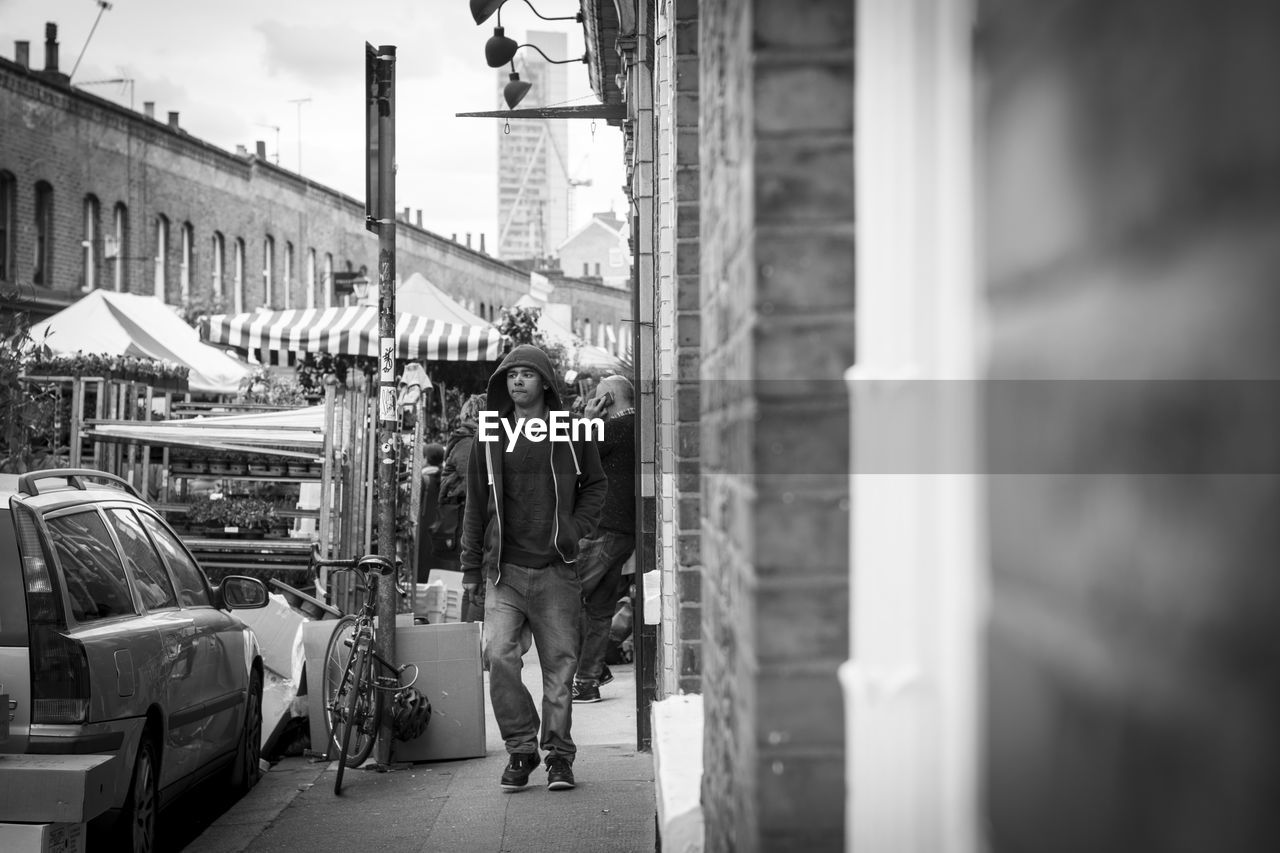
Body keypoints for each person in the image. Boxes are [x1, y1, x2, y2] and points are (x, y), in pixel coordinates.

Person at [460, 344, 606, 793]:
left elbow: (595, 487)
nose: (517, 381)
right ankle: (522, 749)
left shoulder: (569, 432)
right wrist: (470, 570)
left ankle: (559, 757)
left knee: (560, 670)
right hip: (503, 573)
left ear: (544, 382)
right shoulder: (491, 435)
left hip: (556, 571)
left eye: (526, 374)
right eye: (510, 375)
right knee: (499, 658)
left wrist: (573, 530)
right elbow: (475, 505)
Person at [570, 375, 637, 704]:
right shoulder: (636, 427)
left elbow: (571, 456)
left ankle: (589, 672)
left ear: (608, 400)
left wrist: (587, 420)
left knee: (563, 598)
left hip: (602, 530)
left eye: (598, 398)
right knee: (598, 608)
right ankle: (588, 679)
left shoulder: (614, 428)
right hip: (622, 533)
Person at [438, 393, 486, 620]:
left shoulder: (471, 439)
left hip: (471, 522)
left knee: (474, 587)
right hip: (471, 524)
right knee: (477, 589)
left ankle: (469, 643)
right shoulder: (469, 442)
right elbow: (475, 487)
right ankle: (472, 645)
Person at [415, 443, 446, 583]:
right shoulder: (445, 477)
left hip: (424, 527)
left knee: (421, 563)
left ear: (426, 459)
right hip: (441, 528)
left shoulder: (422, 479)